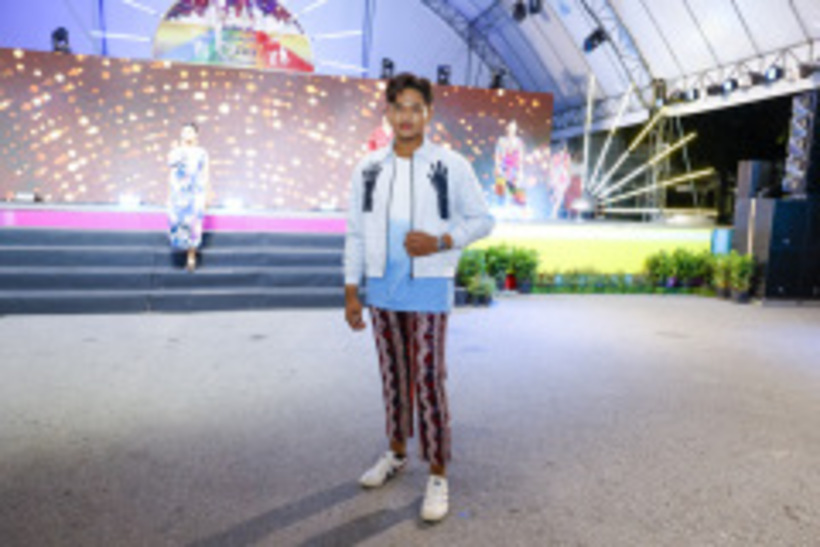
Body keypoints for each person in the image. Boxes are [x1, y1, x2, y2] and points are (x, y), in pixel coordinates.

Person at [343, 73, 495, 523]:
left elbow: (482, 219)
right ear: (387, 113)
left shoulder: (451, 165)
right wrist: (351, 289)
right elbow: (355, 232)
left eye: (415, 107)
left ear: (428, 113)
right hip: (382, 291)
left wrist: (441, 241)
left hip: (429, 288)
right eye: (398, 107)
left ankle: (438, 474)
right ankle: (395, 453)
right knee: (393, 377)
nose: (406, 116)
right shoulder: (368, 168)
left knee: (428, 379)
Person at [168, 122, 210, 272]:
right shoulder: (175, 152)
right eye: (185, 131)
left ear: (196, 135)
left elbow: (206, 174)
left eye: (190, 131)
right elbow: (171, 174)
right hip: (178, 193)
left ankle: (191, 256)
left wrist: (207, 195)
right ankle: (181, 252)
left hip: (196, 192)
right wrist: (169, 195)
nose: (187, 134)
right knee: (178, 222)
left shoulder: (201, 153)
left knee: (194, 224)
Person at [494, 120, 526, 207]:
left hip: (514, 168)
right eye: (511, 127)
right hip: (503, 167)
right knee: (501, 191)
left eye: (514, 127)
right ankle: (500, 207)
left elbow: (521, 156)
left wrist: (521, 169)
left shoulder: (519, 141)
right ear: (507, 128)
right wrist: (497, 166)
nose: (512, 129)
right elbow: (497, 154)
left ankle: (517, 207)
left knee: (515, 188)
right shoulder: (501, 140)